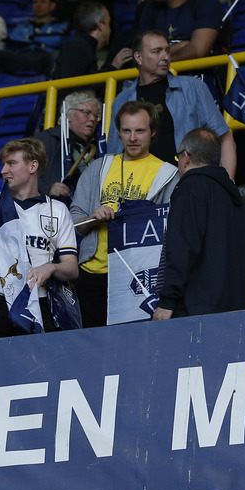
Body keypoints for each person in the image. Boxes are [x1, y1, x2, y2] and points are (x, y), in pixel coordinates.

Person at [0, 137, 79, 337]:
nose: (3, 171)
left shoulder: (58, 209)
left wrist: (51, 267)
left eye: (11, 163)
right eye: (3, 164)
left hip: (43, 302)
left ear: (33, 166)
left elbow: (71, 268)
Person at [70, 101, 179, 328]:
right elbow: (74, 221)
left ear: (153, 133)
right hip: (94, 272)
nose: (133, 138)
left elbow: (173, 228)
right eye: (127, 131)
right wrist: (93, 216)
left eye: (140, 131)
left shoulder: (167, 174)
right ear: (118, 133)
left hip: (140, 276)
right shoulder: (99, 167)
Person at [154, 127, 245, 320]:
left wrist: (167, 300)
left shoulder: (190, 188)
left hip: (196, 310)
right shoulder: (233, 195)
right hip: (236, 309)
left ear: (186, 157)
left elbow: (181, 247)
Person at [109, 30, 235, 176]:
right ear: (138, 57)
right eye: (157, 51)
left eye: (167, 51)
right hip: (138, 188)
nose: (165, 57)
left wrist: (228, 182)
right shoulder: (121, 100)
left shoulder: (193, 87)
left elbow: (225, 138)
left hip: (185, 184)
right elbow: (114, 153)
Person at [0, 0, 68, 83]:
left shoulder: (62, 26)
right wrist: (42, 40)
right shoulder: (22, 26)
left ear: (52, 5)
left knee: (57, 55)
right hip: (21, 57)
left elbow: (60, 42)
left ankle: (54, 93)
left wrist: (32, 39)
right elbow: (13, 42)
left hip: (45, 57)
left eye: (43, 2)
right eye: (35, 2)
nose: (38, 5)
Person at [32, 91, 102, 198]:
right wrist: (48, 188)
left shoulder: (96, 147)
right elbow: (22, 175)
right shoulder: (46, 140)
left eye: (96, 116)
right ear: (68, 114)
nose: (92, 119)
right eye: (86, 113)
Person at [50, 0, 114, 90]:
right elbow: (72, 88)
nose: (110, 30)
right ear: (101, 25)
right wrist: (113, 68)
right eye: (108, 24)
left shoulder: (83, 46)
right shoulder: (77, 48)